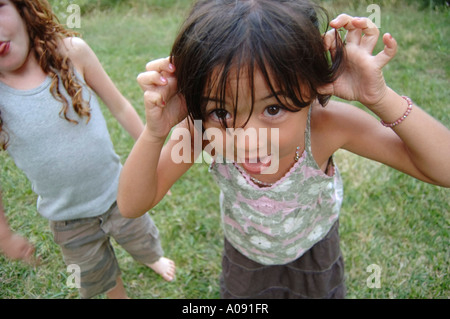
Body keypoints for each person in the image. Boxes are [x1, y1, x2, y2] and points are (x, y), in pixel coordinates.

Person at [117, 0, 450, 298]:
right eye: (222, 112)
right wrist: (155, 132)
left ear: (313, 86)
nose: (248, 139)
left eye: (273, 109)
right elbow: (133, 204)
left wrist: (380, 98)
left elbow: (443, 169)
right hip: (245, 254)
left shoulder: (325, 126)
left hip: (315, 248)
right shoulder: (201, 131)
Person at [0, 0, 175, 299]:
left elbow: (119, 106)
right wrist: (4, 236)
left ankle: (151, 258)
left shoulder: (71, 52)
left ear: (21, 6)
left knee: (143, 240)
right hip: (69, 219)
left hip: (120, 192)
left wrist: (156, 163)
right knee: (98, 275)